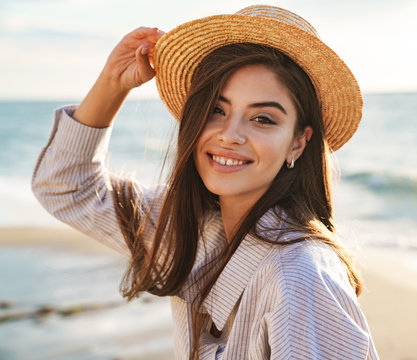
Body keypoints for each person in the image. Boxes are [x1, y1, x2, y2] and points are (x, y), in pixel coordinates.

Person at [32, 5, 379, 360]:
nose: (230, 135)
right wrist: (112, 83)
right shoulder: (192, 229)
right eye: (217, 109)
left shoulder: (300, 275)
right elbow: (66, 187)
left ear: (298, 143)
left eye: (262, 118)